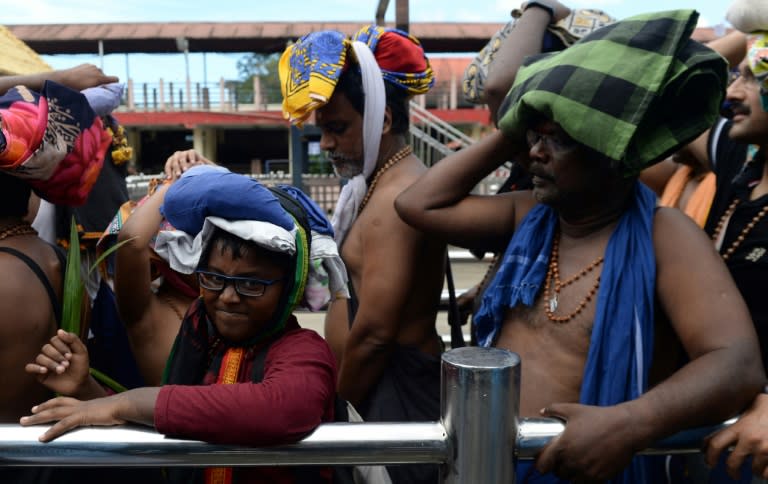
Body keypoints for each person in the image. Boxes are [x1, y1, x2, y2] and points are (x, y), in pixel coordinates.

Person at [394, 9, 764, 483]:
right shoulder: (529, 213)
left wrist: (631, 423)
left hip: (592, 466)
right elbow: (419, 205)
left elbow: (735, 363)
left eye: (560, 141)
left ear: (611, 152)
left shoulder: (665, 235)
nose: (535, 153)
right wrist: (521, 121)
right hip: (490, 464)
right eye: (534, 138)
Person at [21, 165, 345, 484]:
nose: (228, 297)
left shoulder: (305, 350)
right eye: (214, 278)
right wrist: (87, 390)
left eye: (251, 284)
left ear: (288, 287)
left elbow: (282, 410)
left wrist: (126, 402)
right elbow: (167, 426)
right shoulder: (200, 334)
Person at [277, 25, 446, 483]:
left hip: (395, 395)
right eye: (323, 130)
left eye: (337, 128)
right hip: (380, 390)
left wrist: (335, 410)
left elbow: (373, 335)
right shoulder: (379, 186)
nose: (326, 144)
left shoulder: (398, 197)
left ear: (383, 120)